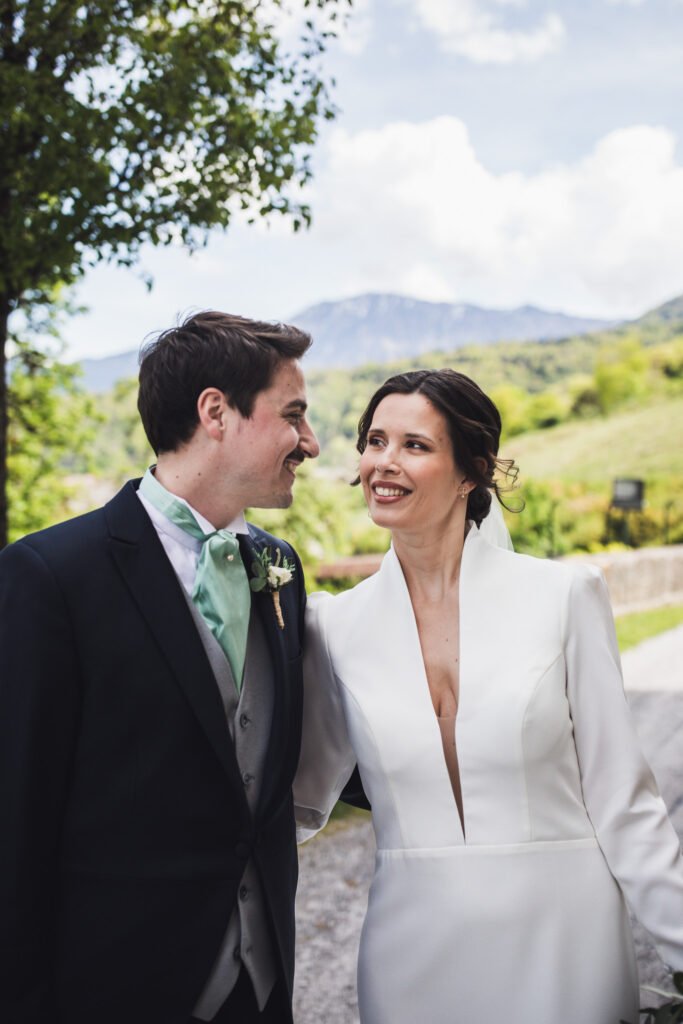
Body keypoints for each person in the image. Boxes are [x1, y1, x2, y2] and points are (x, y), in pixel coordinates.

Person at [294, 367, 683, 1024]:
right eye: (374, 441)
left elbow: (624, 803)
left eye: (414, 445)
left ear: (470, 472)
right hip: (409, 955)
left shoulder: (563, 598)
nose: (383, 463)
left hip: (564, 944)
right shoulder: (331, 627)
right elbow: (294, 804)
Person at [0, 311, 320, 1024]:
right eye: (293, 416)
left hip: (262, 985)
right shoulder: (51, 576)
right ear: (216, 412)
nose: (312, 443)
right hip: (117, 988)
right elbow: (15, 824)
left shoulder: (280, 569)